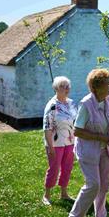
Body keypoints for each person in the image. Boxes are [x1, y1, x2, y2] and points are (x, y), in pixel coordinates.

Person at [66, 69, 109, 217]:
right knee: (94, 184)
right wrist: (100, 137)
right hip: (88, 151)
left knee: (105, 185)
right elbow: (77, 131)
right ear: (96, 87)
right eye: (107, 84)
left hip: (105, 150)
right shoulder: (86, 104)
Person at [42, 76, 77, 205]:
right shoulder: (52, 106)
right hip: (55, 143)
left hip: (70, 141)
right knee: (54, 168)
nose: (66, 89)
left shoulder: (71, 103)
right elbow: (47, 128)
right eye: (63, 86)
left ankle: (64, 193)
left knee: (67, 167)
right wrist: (50, 147)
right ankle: (46, 195)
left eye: (68, 86)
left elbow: (76, 122)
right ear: (56, 88)